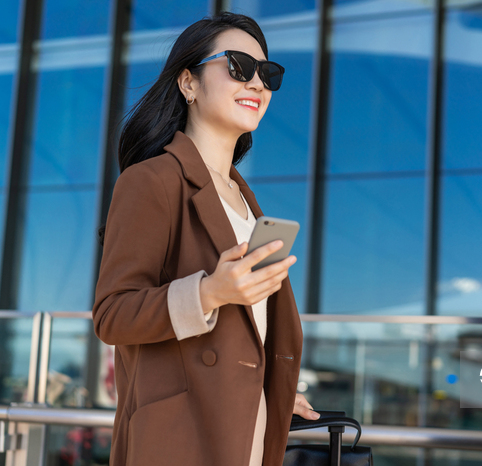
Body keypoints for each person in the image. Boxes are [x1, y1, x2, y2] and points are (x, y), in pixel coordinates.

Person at [92, 12, 318, 466]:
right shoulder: (152, 181)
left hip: (243, 430)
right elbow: (111, 314)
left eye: (268, 74)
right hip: (178, 440)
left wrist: (268, 387)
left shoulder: (243, 198)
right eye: (238, 66)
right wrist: (208, 292)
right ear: (188, 83)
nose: (258, 84)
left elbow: (244, 335)